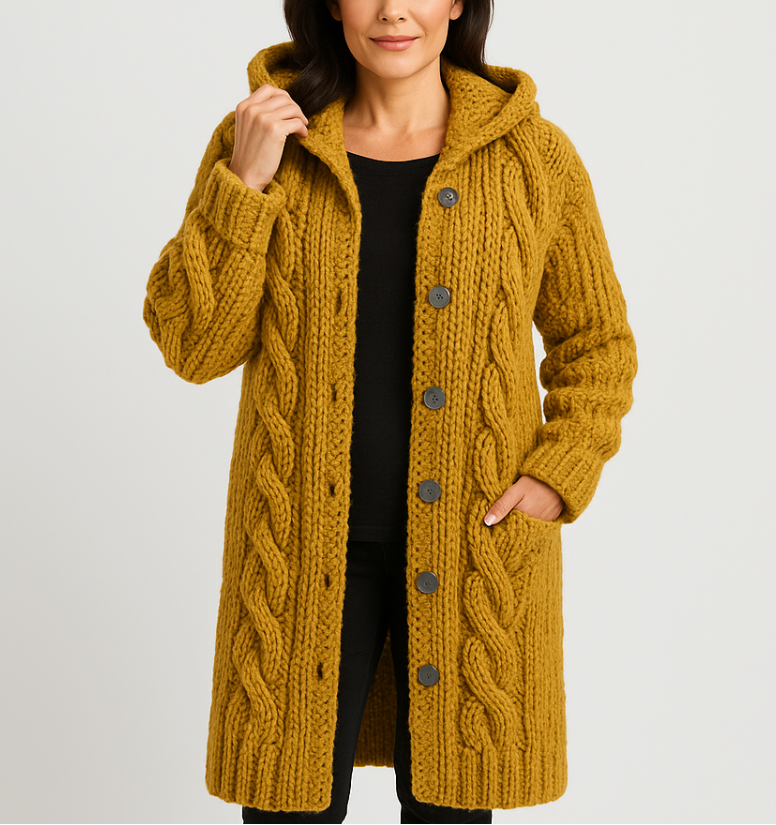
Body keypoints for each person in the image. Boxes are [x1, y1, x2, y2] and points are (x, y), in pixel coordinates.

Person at [142, 0, 638, 822]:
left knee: (451, 804)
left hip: (475, 545)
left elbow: (597, 343)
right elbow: (194, 345)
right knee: (287, 805)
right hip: (296, 549)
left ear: (458, 3)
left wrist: (558, 475)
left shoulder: (533, 157)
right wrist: (245, 182)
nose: (393, 10)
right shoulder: (264, 142)